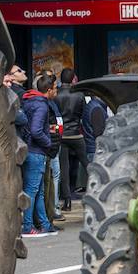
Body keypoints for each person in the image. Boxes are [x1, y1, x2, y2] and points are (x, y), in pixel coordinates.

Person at [21, 74, 60, 237]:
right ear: (49, 90)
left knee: (38, 191)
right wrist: (48, 142)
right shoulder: (42, 106)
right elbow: (36, 130)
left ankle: (45, 224)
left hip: (31, 150)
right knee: (32, 190)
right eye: (55, 89)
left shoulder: (30, 101)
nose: (56, 92)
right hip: (36, 152)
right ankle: (28, 226)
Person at [55, 67, 87, 212]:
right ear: (73, 78)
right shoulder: (80, 94)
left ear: (61, 79)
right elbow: (82, 114)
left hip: (62, 135)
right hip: (76, 134)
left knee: (64, 169)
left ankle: (67, 202)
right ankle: (97, 190)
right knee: (87, 164)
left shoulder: (56, 94)